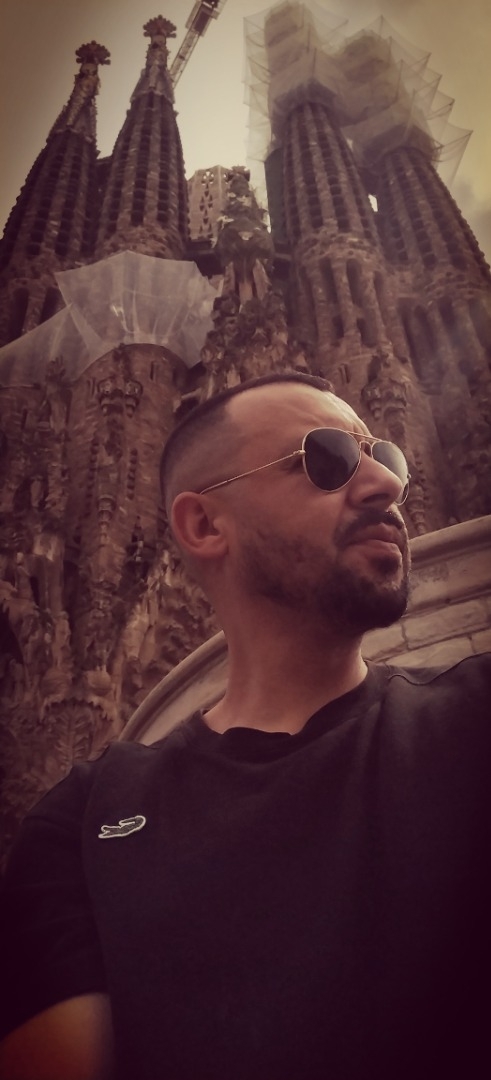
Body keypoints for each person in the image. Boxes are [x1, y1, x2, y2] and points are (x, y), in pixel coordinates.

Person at [0, 372, 490, 1080]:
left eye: (386, 457)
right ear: (203, 525)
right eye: (324, 458)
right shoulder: (80, 823)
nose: (385, 483)